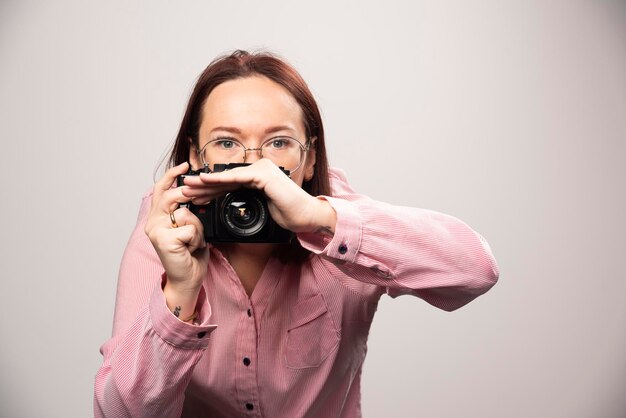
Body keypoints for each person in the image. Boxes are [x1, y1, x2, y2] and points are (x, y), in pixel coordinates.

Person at [94, 50, 499, 418]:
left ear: (310, 158)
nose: (255, 166)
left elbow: (476, 270)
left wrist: (319, 218)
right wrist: (180, 291)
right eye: (226, 142)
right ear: (197, 156)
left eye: (278, 142)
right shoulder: (167, 229)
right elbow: (118, 413)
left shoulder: (339, 218)